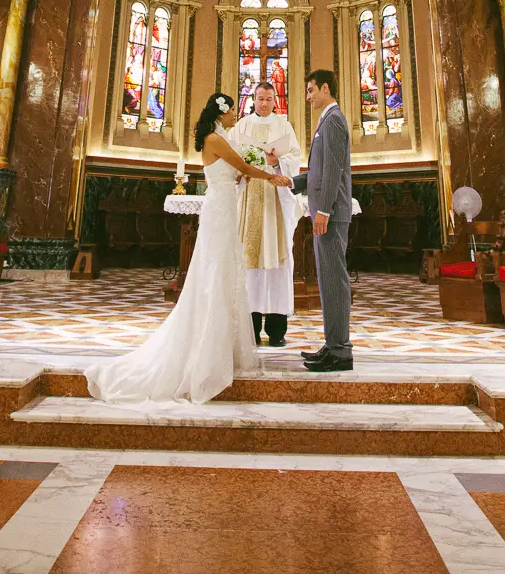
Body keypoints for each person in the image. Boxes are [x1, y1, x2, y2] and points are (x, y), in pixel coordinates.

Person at [83, 92, 292, 404]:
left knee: (224, 276)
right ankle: (207, 352)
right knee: (214, 276)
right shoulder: (214, 139)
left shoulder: (220, 136)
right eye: (232, 110)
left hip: (224, 207)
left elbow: (235, 172)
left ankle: (224, 347)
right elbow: (242, 168)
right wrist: (271, 176)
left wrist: (248, 170)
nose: (236, 114)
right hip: (220, 213)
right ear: (221, 112)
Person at [228, 79, 302, 346]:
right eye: (260, 98)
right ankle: (249, 330)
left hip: (274, 201)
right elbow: (230, 156)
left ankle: (277, 331)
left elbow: (295, 157)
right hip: (248, 197)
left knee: (276, 262)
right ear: (253, 99)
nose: (264, 103)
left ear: (275, 100)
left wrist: (276, 161)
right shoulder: (242, 125)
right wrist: (239, 169)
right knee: (249, 263)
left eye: (269, 99)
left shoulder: (284, 126)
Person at [292, 69, 353, 372]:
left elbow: (333, 173)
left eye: (310, 90)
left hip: (330, 215)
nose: (308, 97)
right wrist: (292, 182)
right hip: (325, 211)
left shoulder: (334, 120)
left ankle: (341, 351)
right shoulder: (326, 121)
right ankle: (332, 345)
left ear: (325, 88)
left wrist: (324, 211)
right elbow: (319, 172)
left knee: (334, 282)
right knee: (328, 283)